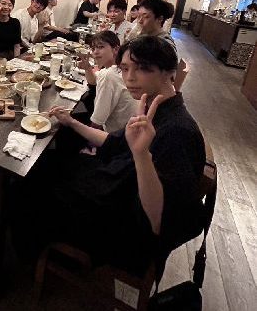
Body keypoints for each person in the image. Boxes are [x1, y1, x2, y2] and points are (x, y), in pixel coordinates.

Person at [10, 37, 206, 275]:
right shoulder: (156, 109)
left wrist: (141, 155)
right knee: (46, 163)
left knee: (26, 186)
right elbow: (114, 142)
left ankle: (32, 260)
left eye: (142, 68)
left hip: (121, 225)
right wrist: (72, 122)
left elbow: (159, 222)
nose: (129, 78)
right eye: (125, 69)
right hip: (115, 185)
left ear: (169, 73)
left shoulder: (178, 131)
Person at [61, 30, 137, 155]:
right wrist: (87, 67)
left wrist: (90, 145)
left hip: (115, 140)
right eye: (93, 48)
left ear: (116, 49)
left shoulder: (109, 75)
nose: (95, 52)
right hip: (127, 134)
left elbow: (97, 121)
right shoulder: (117, 69)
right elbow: (93, 81)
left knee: (64, 128)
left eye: (101, 47)